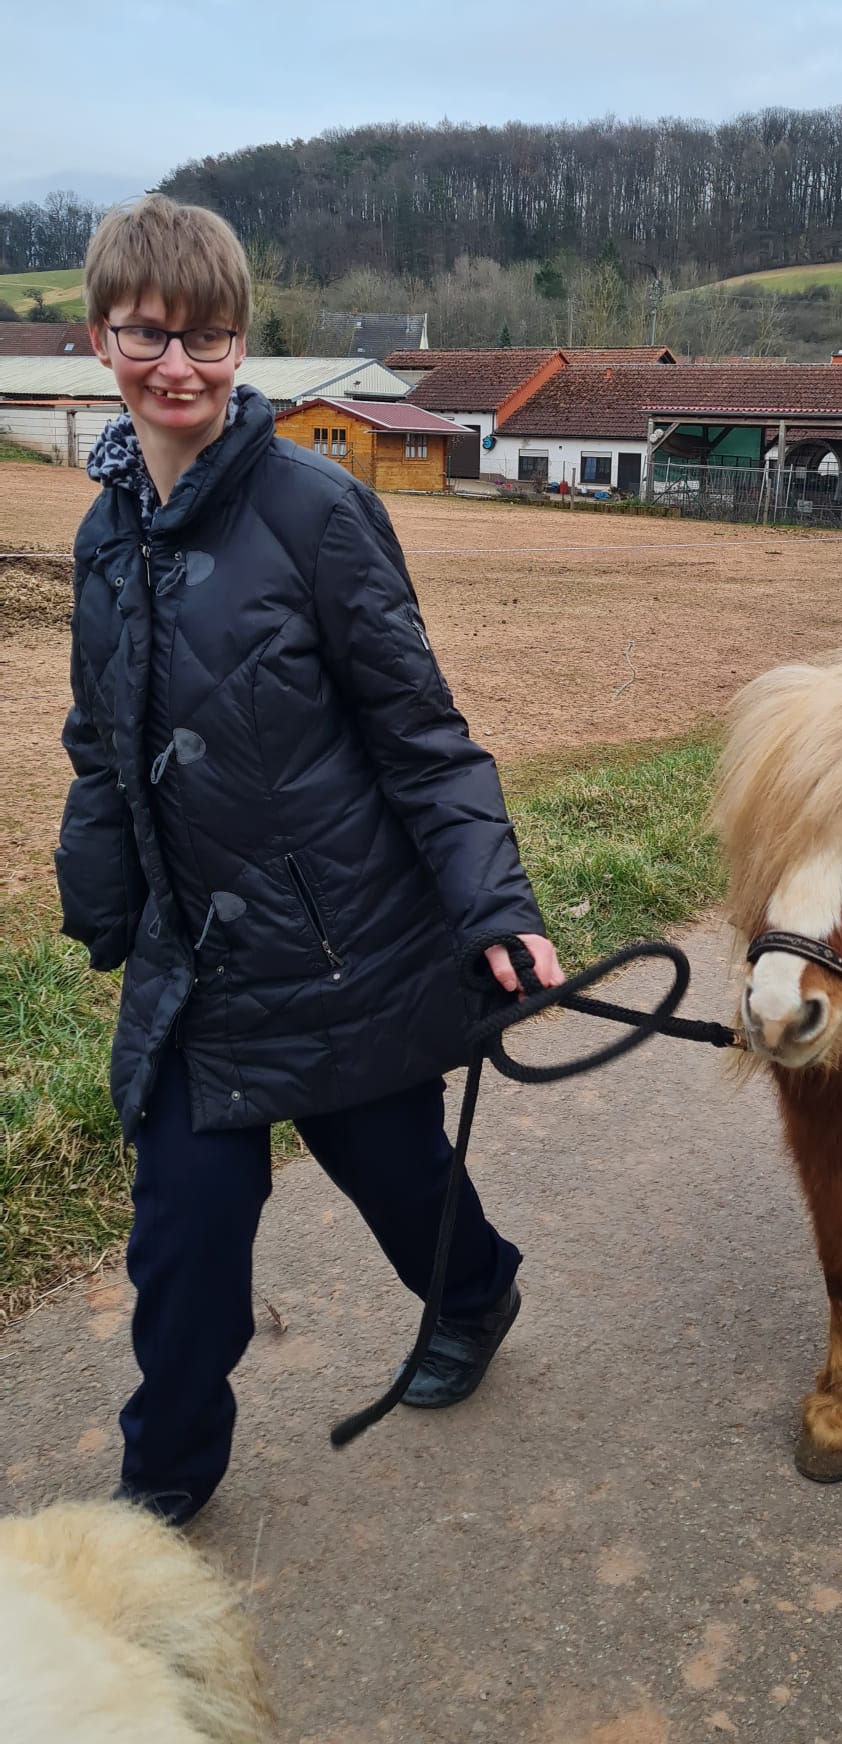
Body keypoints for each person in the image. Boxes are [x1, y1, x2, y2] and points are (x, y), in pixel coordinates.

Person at [56, 193, 564, 1526]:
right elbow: (100, 739)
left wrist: (493, 907)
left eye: (207, 338)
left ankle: (474, 1292)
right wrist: (101, 892)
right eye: (148, 335)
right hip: (194, 972)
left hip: (340, 949)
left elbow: (422, 738)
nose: (178, 366)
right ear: (99, 336)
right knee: (186, 1241)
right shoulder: (104, 540)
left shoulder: (316, 511)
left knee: (400, 1176)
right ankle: (163, 1483)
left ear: (241, 346)